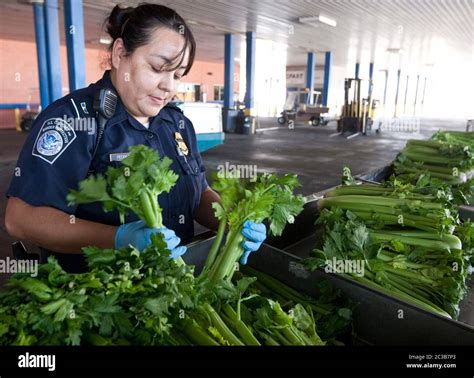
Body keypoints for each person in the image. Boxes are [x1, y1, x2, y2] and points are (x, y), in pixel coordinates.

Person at [5, 4, 266, 273]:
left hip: (174, 285)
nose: (169, 86)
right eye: (157, 68)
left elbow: (200, 194)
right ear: (120, 54)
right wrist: (117, 239)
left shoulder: (177, 123)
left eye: (177, 75)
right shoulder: (73, 120)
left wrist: (234, 221)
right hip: (98, 295)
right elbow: (21, 219)